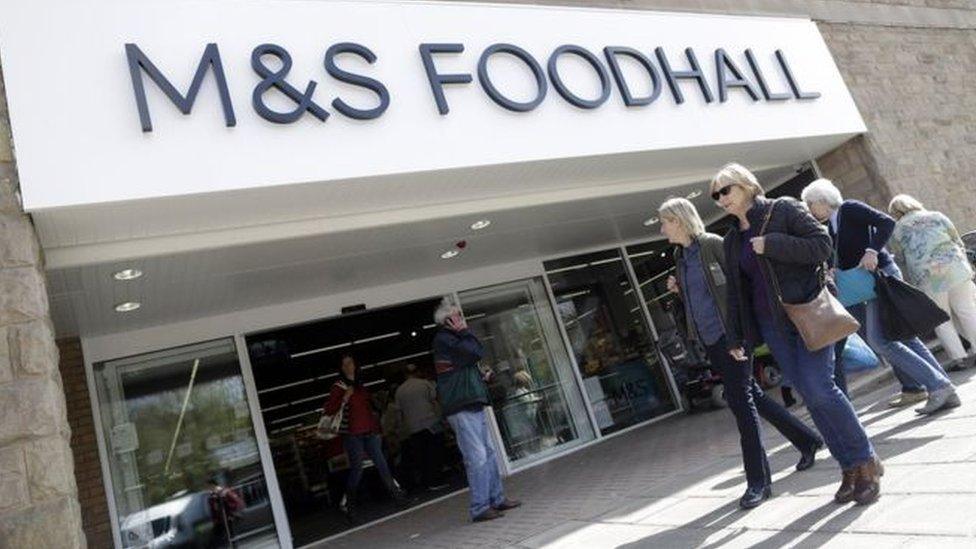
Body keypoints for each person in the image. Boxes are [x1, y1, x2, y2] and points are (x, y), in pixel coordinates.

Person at [714, 163, 882, 506]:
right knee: (810, 392)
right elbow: (736, 293)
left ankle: (867, 460)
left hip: (808, 313)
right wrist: (736, 338)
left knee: (821, 388)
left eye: (724, 190)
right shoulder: (732, 240)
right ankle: (849, 466)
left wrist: (773, 244)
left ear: (746, 185)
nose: (720, 199)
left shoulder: (784, 209)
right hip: (772, 326)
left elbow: (821, 245)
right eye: (715, 195)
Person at [660, 197, 824, 509]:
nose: (661, 228)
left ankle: (758, 481)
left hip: (732, 336)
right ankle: (807, 440)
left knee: (742, 404)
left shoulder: (712, 244)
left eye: (664, 221)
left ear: (679, 220)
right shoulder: (680, 256)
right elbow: (703, 295)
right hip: (710, 339)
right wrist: (679, 290)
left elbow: (739, 287)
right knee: (752, 395)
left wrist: (743, 335)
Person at [801, 179, 960, 414]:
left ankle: (939, 385)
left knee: (880, 341)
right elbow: (845, 253)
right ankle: (944, 388)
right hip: (866, 283)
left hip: (879, 279)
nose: (810, 210)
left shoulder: (850, 208)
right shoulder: (834, 224)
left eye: (810, 204)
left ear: (823, 201)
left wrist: (872, 250)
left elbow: (885, 222)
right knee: (905, 338)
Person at [432, 298, 521, 522]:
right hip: (461, 406)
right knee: (478, 457)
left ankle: (497, 498)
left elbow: (472, 355)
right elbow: (474, 352)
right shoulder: (444, 339)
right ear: (448, 320)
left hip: (471, 403)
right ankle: (480, 507)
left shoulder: (453, 341)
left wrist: (481, 375)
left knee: (489, 453)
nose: (462, 320)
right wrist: (464, 332)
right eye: (458, 316)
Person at [888, 194, 976, 371]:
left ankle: (959, 358)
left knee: (941, 318)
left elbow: (900, 258)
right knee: (967, 310)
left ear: (895, 213)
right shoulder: (937, 216)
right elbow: (957, 240)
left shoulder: (897, 230)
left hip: (929, 277)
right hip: (957, 268)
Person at [323, 354, 405, 520]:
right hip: (353, 434)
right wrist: (344, 397)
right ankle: (348, 504)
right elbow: (329, 409)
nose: (348, 366)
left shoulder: (361, 385)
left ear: (355, 365)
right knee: (357, 470)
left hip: (369, 432)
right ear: (341, 368)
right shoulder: (338, 387)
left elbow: (367, 409)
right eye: (344, 364)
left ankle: (397, 496)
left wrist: (376, 429)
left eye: (350, 363)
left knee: (382, 464)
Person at [395, 363, 449, 491]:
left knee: (421, 456)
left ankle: (426, 482)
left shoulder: (399, 391)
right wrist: (442, 419)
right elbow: (435, 401)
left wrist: (401, 430)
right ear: (417, 372)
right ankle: (436, 480)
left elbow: (399, 413)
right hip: (431, 424)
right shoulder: (425, 384)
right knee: (435, 454)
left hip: (413, 429)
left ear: (405, 375)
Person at [207, 475, 244, 548]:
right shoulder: (212, 496)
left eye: (209, 486)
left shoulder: (225, 492)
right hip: (220, 521)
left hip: (229, 518)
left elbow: (237, 503)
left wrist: (225, 503)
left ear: (213, 485)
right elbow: (214, 510)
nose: (208, 488)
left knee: (231, 537)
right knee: (219, 539)